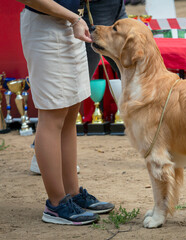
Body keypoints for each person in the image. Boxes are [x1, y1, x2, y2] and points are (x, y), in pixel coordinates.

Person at [17, 0, 114, 225]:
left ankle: (72, 193)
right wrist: (74, 18)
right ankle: (56, 203)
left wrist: (76, 18)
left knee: (71, 113)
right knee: (52, 116)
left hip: (73, 24)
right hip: (48, 26)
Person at [30, 0, 128, 174]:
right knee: (70, 94)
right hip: (86, 8)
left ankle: (163, 145)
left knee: (137, 72)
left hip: (113, 5)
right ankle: (45, 154)